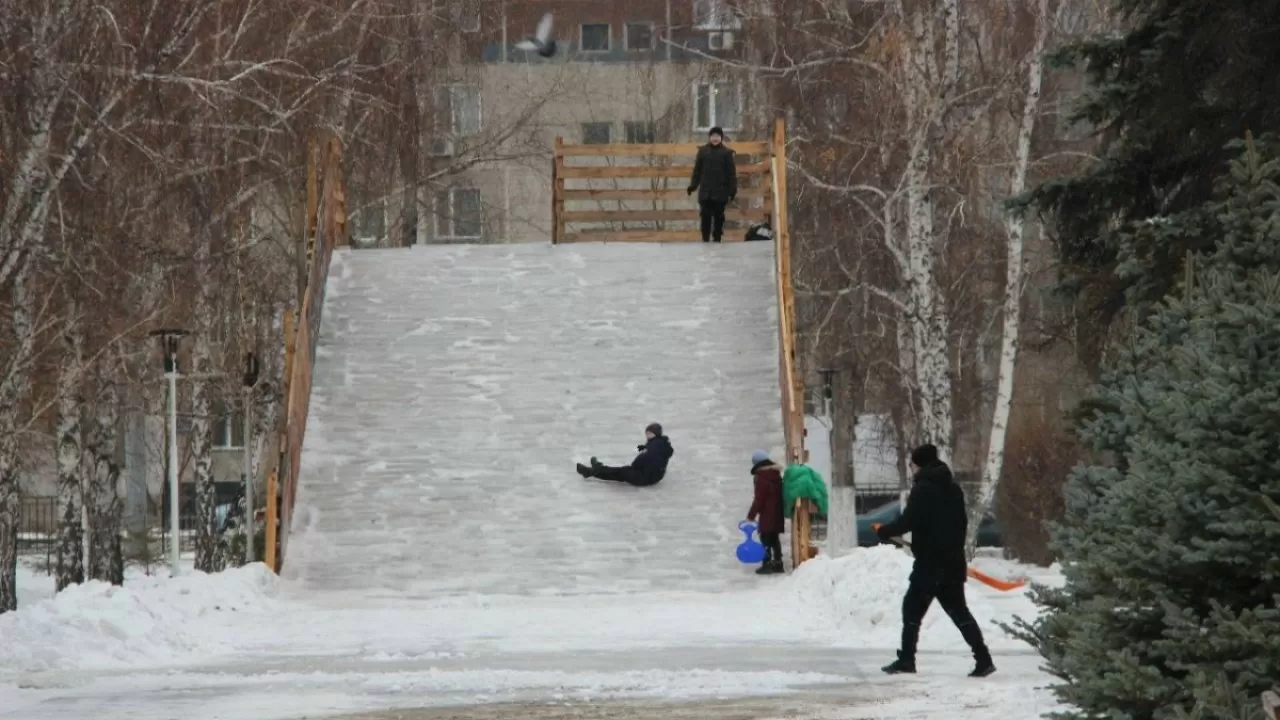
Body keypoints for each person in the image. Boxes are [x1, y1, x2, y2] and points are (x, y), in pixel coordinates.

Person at [875, 443, 995, 677]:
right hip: (951, 561)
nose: (911, 470)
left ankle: (907, 660)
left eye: (911, 465)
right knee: (959, 611)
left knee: (911, 609)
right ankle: (983, 658)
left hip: (930, 564)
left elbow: (908, 521)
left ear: (918, 464)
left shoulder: (923, 489)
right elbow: (961, 524)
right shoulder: (954, 489)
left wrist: (884, 531)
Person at [576, 423, 673, 487]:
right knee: (622, 470)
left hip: (645, 478)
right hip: (653, 476)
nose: (647, 435)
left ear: (655, 434)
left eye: (649, 433)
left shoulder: (655, 445)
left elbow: (644, 458)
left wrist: (635, 466)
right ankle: (599, 468)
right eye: (646, 433)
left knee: (620, 473)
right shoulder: (661, 443)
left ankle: (590, 472)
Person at [687, 126, 737, 243]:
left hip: (720, 191)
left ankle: (717, 239)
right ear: (709, 137)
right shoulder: (703, 151)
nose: (715, 138)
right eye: (713, 136)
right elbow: (697, 171)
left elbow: (731, 174)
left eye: (717, 136)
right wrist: (693, 186)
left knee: (719, 217)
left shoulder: (726, 153)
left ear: (721, 138)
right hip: (706, 192)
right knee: (705, 216)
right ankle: (705, 239)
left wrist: (732, 190)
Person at [746, 450, 785, 575]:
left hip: (767, 513)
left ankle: (767, 564)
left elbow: (759, 499)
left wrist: (751, 515)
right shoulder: (775, 474)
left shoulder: (761, 477)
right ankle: (778, 563)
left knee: (765, 538)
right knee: (774, 538)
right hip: (777, 511)